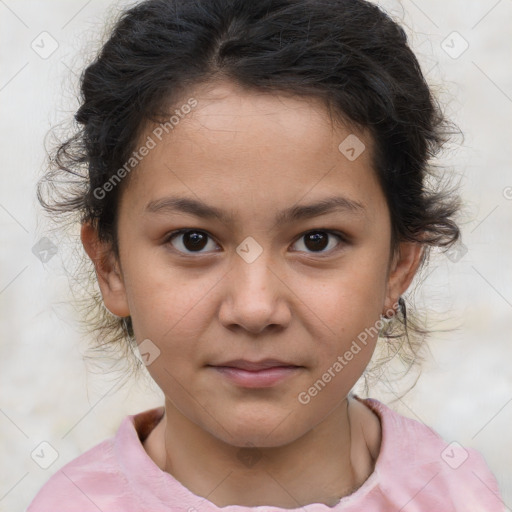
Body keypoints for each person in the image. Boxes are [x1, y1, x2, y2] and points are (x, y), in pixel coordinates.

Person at [28, 0, 505, 510]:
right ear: (110, 266)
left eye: (317, 240)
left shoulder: (458, 494)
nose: (255, 309)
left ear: (399, 264)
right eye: (193, 240)